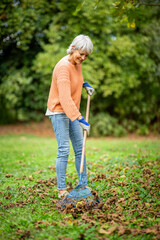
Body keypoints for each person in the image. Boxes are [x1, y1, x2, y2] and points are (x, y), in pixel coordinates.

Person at [46, 34, 95, 198]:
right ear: (73, 48)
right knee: (64, 149)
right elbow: (65, 98)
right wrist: (80, 118)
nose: (83, 58)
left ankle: (83, 185)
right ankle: (61, 189)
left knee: (80, 148)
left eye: (86, 55)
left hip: (71, 109)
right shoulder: (63, 67)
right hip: (59, 110)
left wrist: (84, 85)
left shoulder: (76, 64)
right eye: (81, 54)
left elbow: (75, 80)